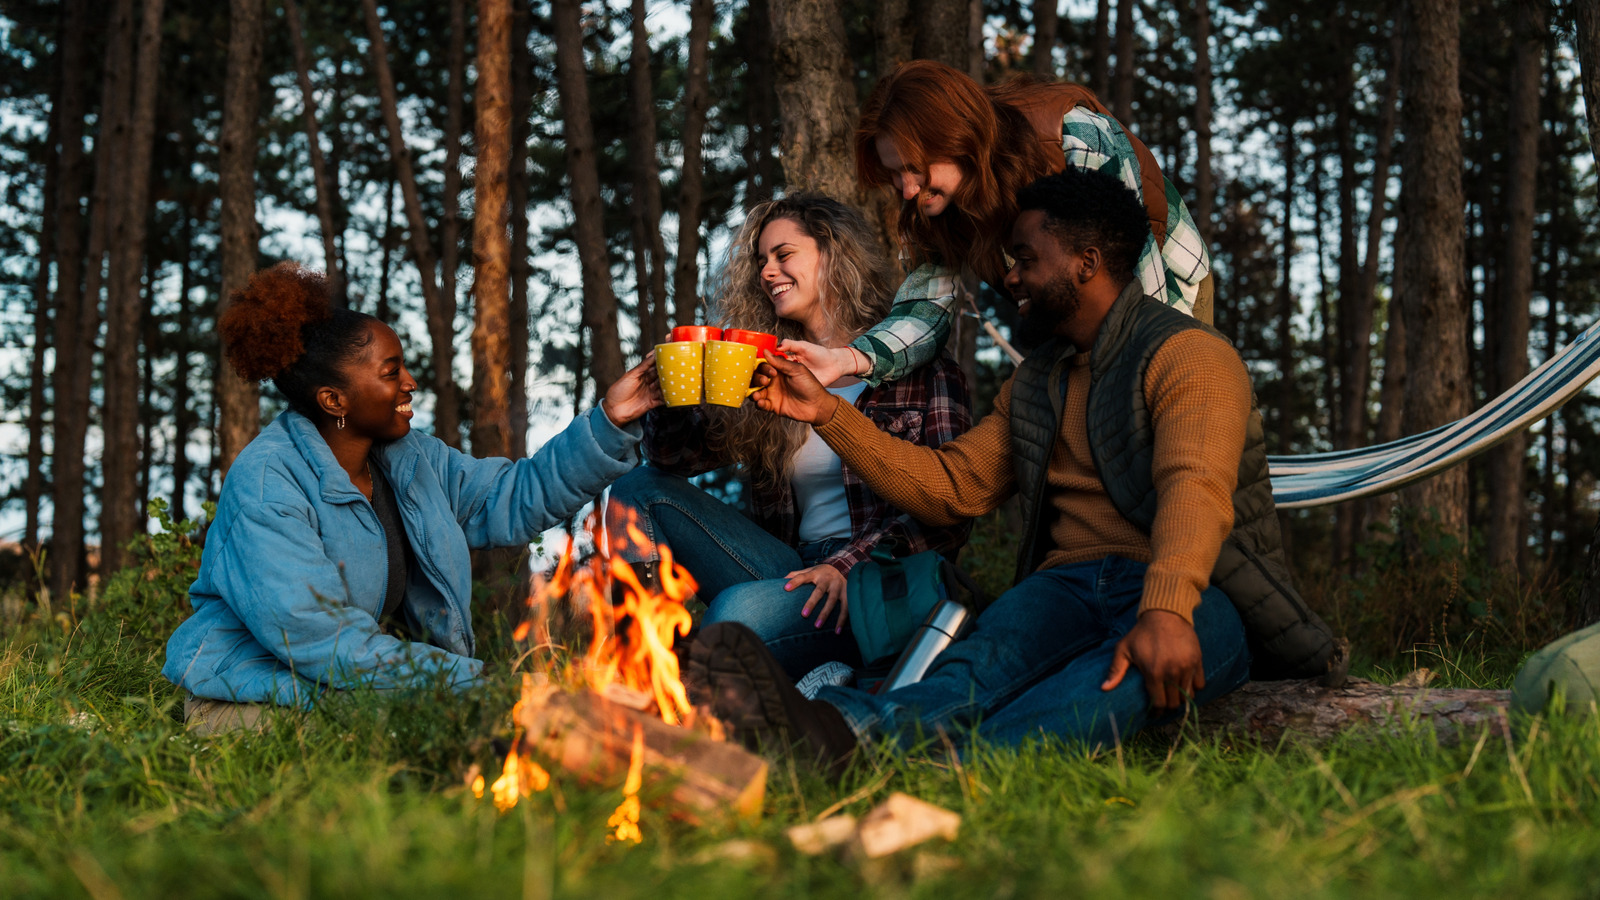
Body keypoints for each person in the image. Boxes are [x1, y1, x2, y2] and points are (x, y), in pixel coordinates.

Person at [691, 168, 1340, 769]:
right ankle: (840, 736)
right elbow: (952, 488)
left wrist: (1166, 611)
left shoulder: (1189, 355)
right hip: (1065, 588)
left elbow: (1193, 490)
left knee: (1102, 689)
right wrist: (830, 414)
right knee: (974, 671)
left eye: (1027, 260)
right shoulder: (1037, 382)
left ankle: (954, 773)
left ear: (1085, 263)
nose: (1012, 279)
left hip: (1196, 591)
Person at [164, 263, 661, 723]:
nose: (411, 382)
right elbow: (320, 637)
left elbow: (512, 496)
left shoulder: (412, 459)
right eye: (390, 372)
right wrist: (476, 683)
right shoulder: (269, 484)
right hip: (256, 695)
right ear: (333, 400)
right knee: (470, 733)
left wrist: (610, 421)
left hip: (363, 683)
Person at [607, 194, 971, 680]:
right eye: (761, 261)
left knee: (733, 618)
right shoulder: (769, 370)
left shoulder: (921, 371)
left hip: (872, 580)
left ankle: (742, 694)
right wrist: (676, 393)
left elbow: (949, 511)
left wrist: (846, 566)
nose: (767, 272)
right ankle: (643, 672)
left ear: (833, 254)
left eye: (784, 255)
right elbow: (672, 460)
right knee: (637, 491)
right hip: (787, 570)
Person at [785, 59, 1213, 390]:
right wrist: (847, 359)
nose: (908, 190)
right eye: (895, 174)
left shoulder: (1073, 135)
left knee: (1178, 405)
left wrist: (1155, 375)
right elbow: (924, 309)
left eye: (915, 168)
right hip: (1068, 322)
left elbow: (1136, 276)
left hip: (1170, 290)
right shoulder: (930, 208)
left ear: (959, 139)